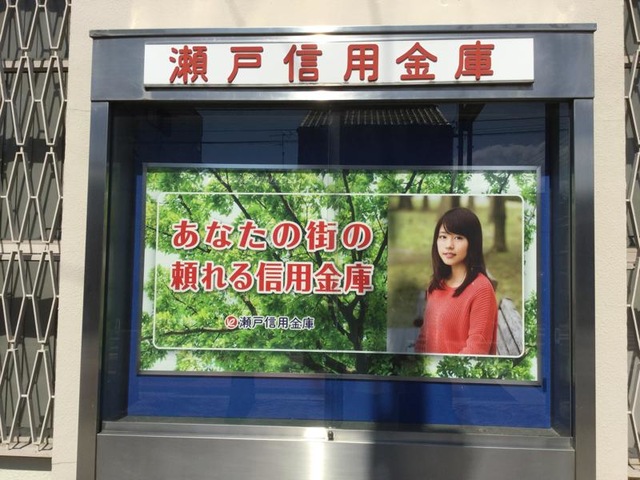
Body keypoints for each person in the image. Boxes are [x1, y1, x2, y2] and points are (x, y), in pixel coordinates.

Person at [414, 207, 498, 355]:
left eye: (458, 238)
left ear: (472, 243)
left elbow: (476, 350)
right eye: (443, 237)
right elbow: (424, 337)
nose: (449, 245)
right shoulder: (436, 285)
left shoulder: (481, 290)